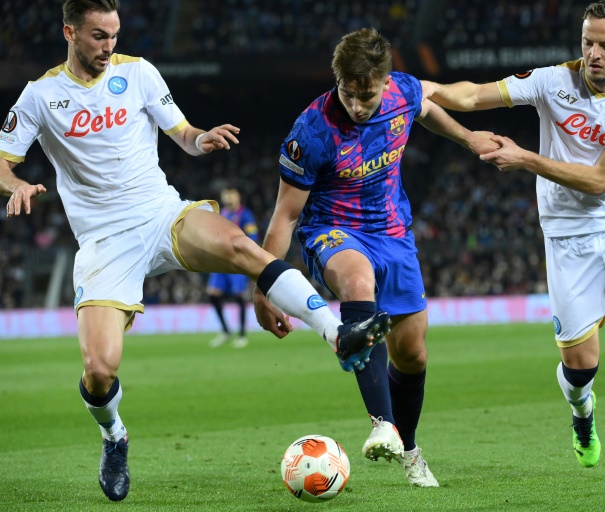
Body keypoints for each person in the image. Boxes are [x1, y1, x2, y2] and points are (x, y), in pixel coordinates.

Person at [0, 0, 390, 502]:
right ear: (69, 32)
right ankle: (114, 435)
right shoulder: (40, 96)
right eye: (98, 36)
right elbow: (2, 162)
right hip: (104, 241)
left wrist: (201, 138)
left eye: (114, 35)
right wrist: (16, 185)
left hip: (161, 213)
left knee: (239, 245)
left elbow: (181, 133)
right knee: (99, 370)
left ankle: (337, 334)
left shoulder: (138, 73)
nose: (109, 46)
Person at [422, 0, 605, 484]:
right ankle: (582, 412)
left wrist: (525, 159)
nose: (594, 53)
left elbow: (599, 181)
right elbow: (470, 97)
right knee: (580, 368)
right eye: (587, 42)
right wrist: (421, 88)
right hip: (567, 237)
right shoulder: (552, 81)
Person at [254, 27, 497, 487]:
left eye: (366, 96)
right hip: (332, 229)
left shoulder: (403, 92)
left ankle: (409, 448)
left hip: (393, 232)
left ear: (385, 82)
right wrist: (261, 286)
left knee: (413, 355)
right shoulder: (311, 131)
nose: (356, 105)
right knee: (357, 282)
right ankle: (381, 423)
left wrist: (468, 139)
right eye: (348, 93)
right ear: (338, 80)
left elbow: (428, 108)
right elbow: (284, 215)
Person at [207, 186, 258, 349]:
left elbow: (253, 235)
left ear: (238, 197)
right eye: (226, 195)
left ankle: (242, 335)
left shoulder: (245, 214)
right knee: (213, 294)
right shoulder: (221, 214)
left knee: (239, 295)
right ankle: (226, 331)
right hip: (221, 261)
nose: (229, 198)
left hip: (236, 261)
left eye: (231, 195)